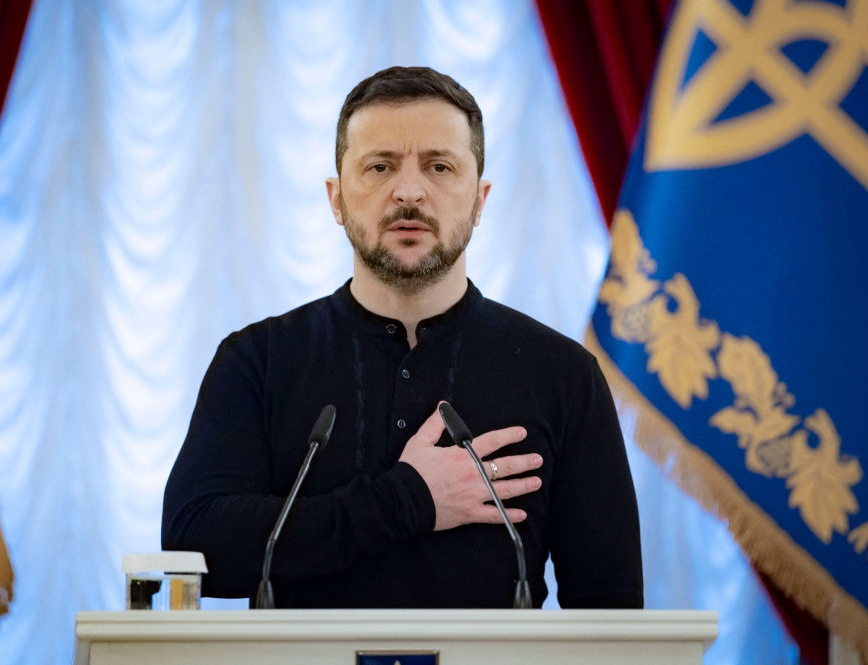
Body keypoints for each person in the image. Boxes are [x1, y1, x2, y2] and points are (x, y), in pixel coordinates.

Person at [162, 66, 642, 609]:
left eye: (439, 167)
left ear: (480, 200)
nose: (408, 191)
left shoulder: (564, 374)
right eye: (379, 167)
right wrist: (409, 499)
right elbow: (195, 548)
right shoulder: (257, 361)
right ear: (337, 198)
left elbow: (611, 607)